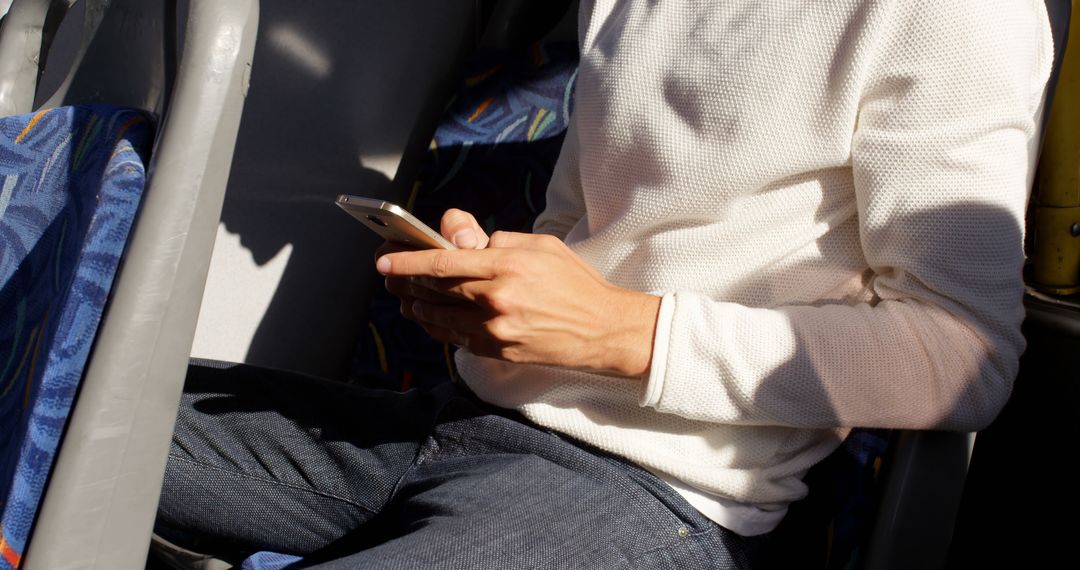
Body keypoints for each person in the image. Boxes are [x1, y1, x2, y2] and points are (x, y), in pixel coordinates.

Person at [156, 1, 1054, 568]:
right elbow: (595, 239)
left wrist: (625, 333)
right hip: (454, 426)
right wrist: (493, 284)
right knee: (56, 411)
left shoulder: (960, 15)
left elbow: (965, 354)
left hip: (655, 496)